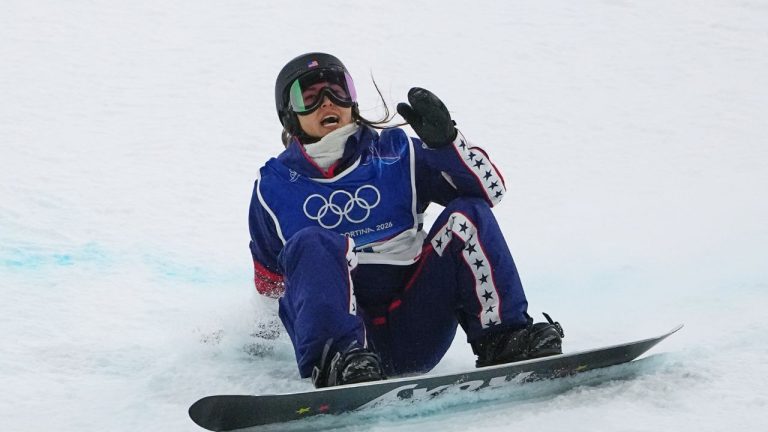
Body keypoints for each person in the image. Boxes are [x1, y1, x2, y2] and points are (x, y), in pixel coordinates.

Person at [248, 52, 564, 388]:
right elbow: (270, 285)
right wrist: (256, 343)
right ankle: (338, 363)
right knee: (313, 241)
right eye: (309, 98)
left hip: (417, 328)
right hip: (352, 343)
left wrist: (447, 145)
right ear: (289, 116)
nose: (328, 103)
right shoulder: (273, 187)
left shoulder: (399, 153)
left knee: (468, 215)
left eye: (339, 91)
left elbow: (490, 193)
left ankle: (505, 339)